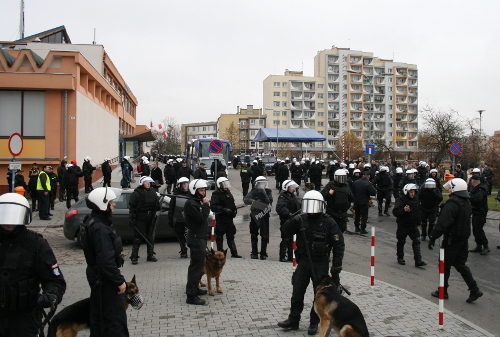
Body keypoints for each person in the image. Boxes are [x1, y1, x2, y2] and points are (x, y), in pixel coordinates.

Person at [277, 190, 345, 336]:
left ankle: (314, 322)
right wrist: (293, 220)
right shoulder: (301, 218)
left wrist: (336, 266)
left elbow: (339, 243)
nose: (312, 209)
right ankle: (293, 319)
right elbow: (285, 231)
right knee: (297, 291)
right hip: (304, 261)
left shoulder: (328, 222)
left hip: (320, 263)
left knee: (319, 295)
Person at [0, 193, 66, 337]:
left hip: (25, 318)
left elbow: (55, 280)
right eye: (5, 214)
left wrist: (51, 295)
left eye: (13, 215)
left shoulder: (36, 244)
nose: (8, 221)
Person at [80, 187, 129, 336]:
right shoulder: (100, 228)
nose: (114, 205)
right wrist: (119, 281)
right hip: (105, 281)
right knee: (114, 321)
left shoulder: (95, 222)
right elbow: (105, 261)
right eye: (111, 202)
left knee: (100, 320)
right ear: (103, 205)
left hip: (99, 278)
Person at [428, 178, 483, 303]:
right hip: (463, 239)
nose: (449, 190)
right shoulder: (466, 202)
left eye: (450, 188)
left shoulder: (453, 204)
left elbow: (442, 223)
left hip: (451, 240)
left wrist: (433, 237)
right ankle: (474, 289)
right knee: (460, 264)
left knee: (444, 265)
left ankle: (443, 290)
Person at [184, 179, 211, 305]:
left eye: (204, 189)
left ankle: (194, 288)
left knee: (198, 266)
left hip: (200, 238)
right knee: (196, 267)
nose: (203, 192)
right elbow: (200, 219)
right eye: (201, 190)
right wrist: (205, 205)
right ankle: (191, 296)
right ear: (194, 190)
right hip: (196, 239)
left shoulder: (196, 202)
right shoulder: (192, 204)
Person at [393, 184, 427, 267]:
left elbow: (417, 211)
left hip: (413, 225)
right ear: (406, 192)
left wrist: (419, 222)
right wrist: (403, 210)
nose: (412, 194)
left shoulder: (416, 199)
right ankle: (400, 257)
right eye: (411, 192)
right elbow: (395, 212)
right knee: (401, 241)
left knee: (417, 241)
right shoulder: (401, 200)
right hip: (403, 225)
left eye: (414, 192)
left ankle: (418, 260)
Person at [129, 176, 160, 264]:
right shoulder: (136, 193)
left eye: (149, 183)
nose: (148, 184)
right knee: (137, 238)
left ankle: (150, 255)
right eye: (146, 183)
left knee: (150, 237)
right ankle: (134, 257)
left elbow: (157, 206)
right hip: (140, 218)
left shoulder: (153, 192)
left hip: (150, 218)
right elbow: (132, 207)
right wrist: (132, 218)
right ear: (142, 184)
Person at [210, 177, 241, 258]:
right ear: (219, 185)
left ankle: (234, 253)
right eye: (224, 185)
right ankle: (220, 253)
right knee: (219, 237)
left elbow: (232, 203)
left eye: (226, 184)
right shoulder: (216, 194)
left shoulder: (228, 193)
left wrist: (234, 211)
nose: (226, 186)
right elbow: (213, 207)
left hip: (229, 219)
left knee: (231, 236)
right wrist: (224, 210)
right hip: (221, 219)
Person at [244, 176, 273, 260]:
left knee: (264, 235)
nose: (262, 185)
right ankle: (254, 252)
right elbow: (246, 199)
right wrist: (256, 203)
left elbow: (270, 201)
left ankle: (263, 253)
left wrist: (264, 193)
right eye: (261, 183)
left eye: (264, 183)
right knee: (253, 234)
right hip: (255, 215)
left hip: (264, 215)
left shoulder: (268, 191)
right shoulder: (254, 191)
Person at [276, 180, 301, 262]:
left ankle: (291, 256)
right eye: (291, 187)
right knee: (285, 239)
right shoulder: (282, 197)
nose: (293, 189)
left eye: (293, 187)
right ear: (286, 188)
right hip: (286, 221)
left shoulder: (293, 196)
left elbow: (297, 205)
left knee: (292, 239)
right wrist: (288, 214)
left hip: (294, 221)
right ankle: (282, 256)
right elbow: (280, 208)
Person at [168, 177, 192, 258]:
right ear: (180, 185)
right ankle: (183, 250)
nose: (185, 186)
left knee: (191, 235)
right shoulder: (176, 194)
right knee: (180, 235)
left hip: (189, 218)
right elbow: (171, 207)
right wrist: (170, 218)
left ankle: (193, 250)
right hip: (179, 219)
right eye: (183, 184)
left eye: (186, 184)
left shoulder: (191, 194)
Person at [468, 175, 490, 255]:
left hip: (480, 212)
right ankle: (479, 245)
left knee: (479, 230)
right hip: (476, 212)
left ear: (473, 181)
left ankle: (485, 246)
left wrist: (469, 196)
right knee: (475, 229)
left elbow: (477, 199)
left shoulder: (480, 190)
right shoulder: (476, 189)